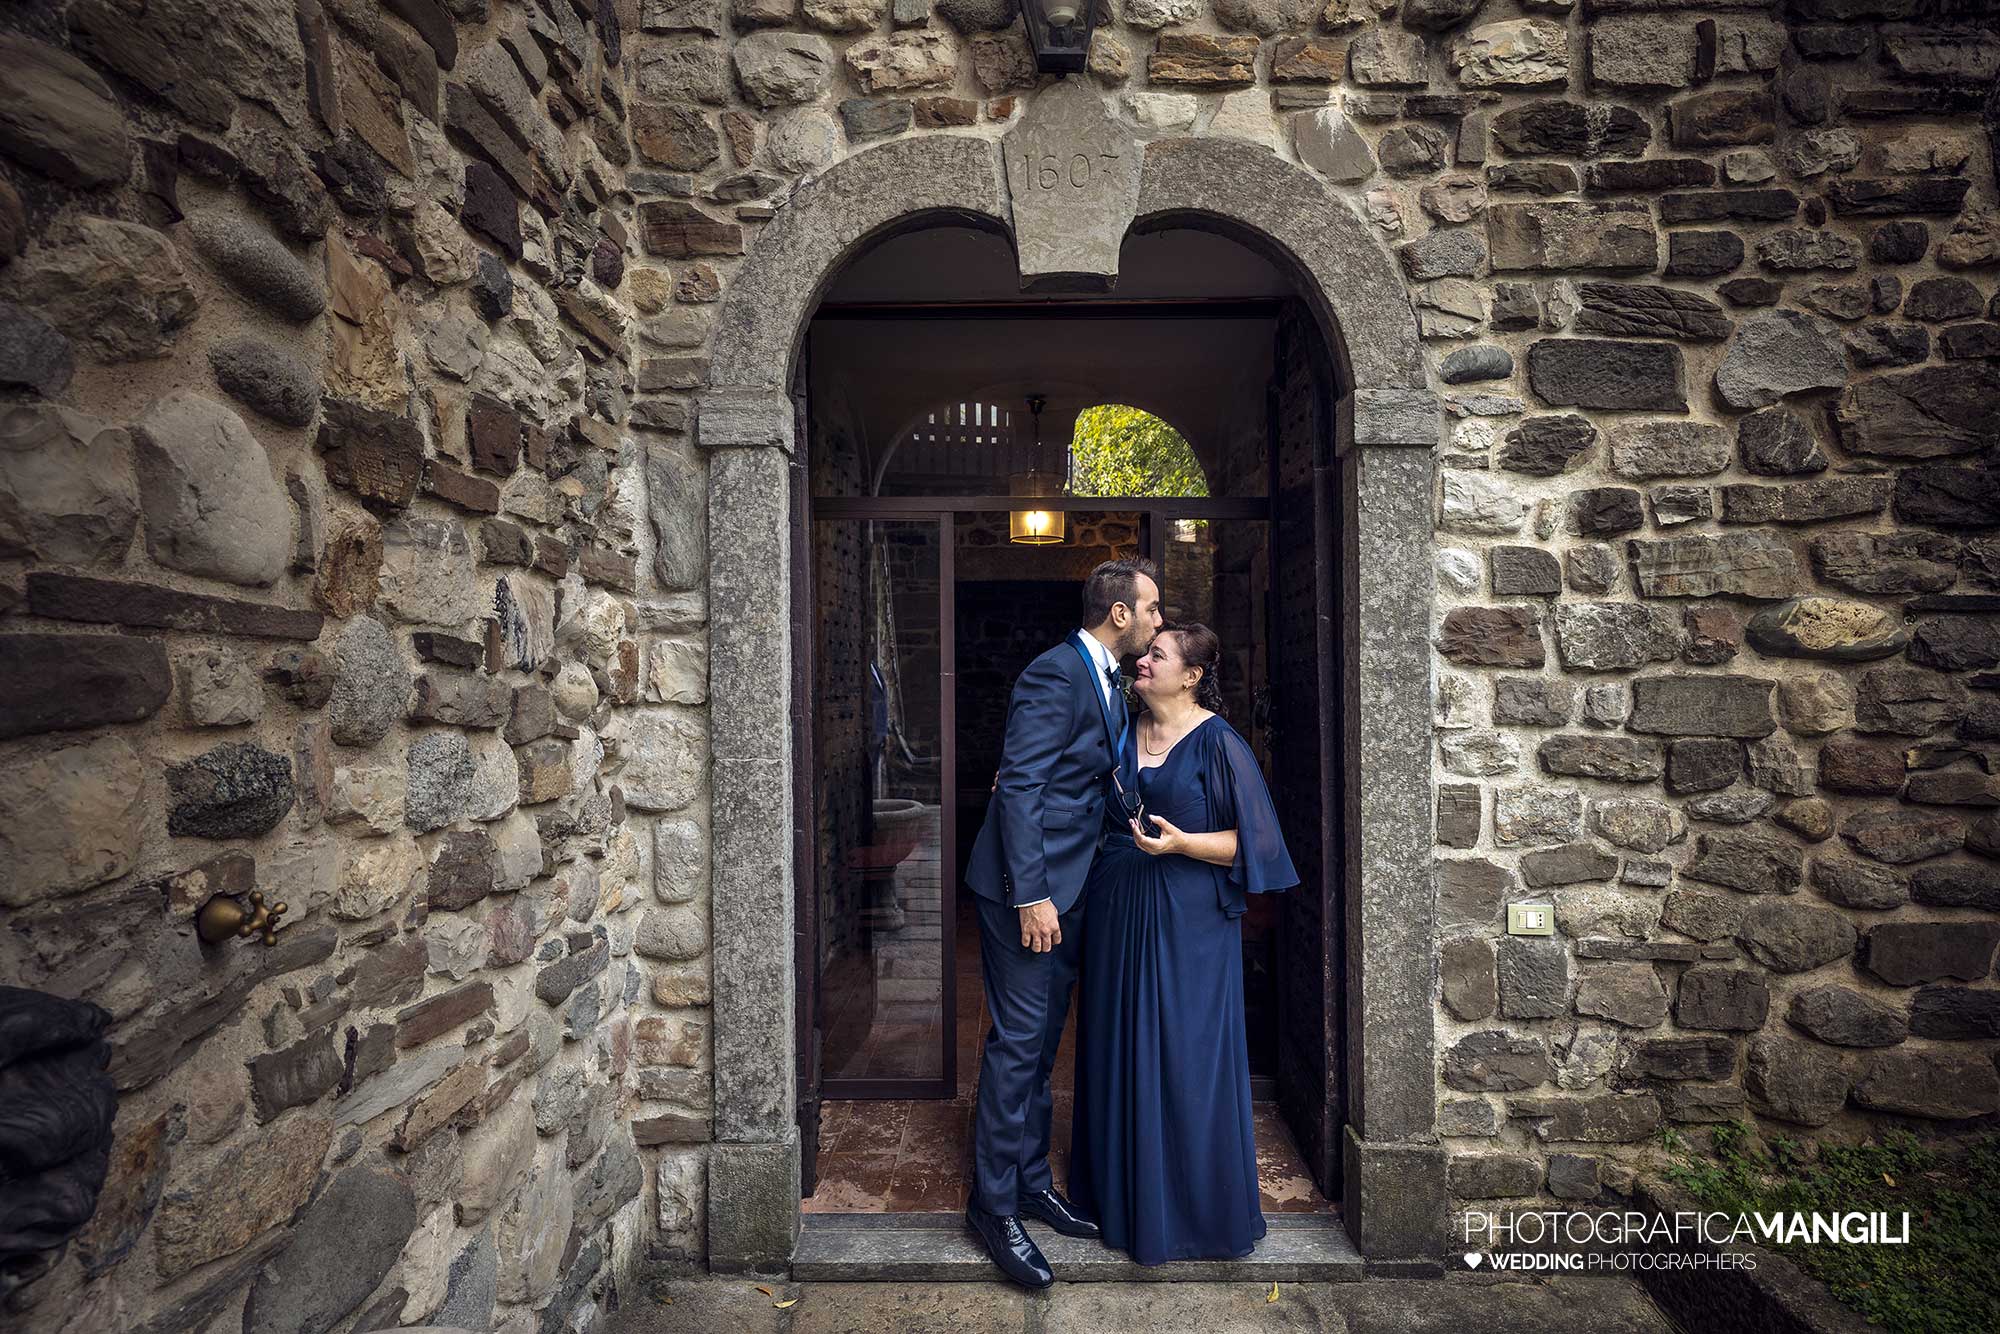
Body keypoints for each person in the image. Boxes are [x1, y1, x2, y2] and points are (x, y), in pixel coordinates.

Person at [1069, 623, 1299, 1266]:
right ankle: (1117, 1201)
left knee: (1185, 1053)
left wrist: (1182, 845)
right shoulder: (1120, 730)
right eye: (1144, 653)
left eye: (1158, 655)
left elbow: (1255, 845)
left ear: (1192, 675)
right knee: (1116, 1043)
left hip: (1189, 921)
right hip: (1118, 910)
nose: (1142, 661)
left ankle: (1193, 1213)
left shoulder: (1220, 743)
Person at [960, 558, 1162, 1288]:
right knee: (1017, 1043)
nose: (1158, 621)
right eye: (1152, 609)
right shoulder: (1056, 673)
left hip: (1069, 885)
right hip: (1028, 892)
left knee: (1043, 1044)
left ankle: (1031, 1181)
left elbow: (1089, 779)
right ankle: (991, 1205)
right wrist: (1031, 894)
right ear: (1118, 615)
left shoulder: (1109, 679)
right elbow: (1019, 784)